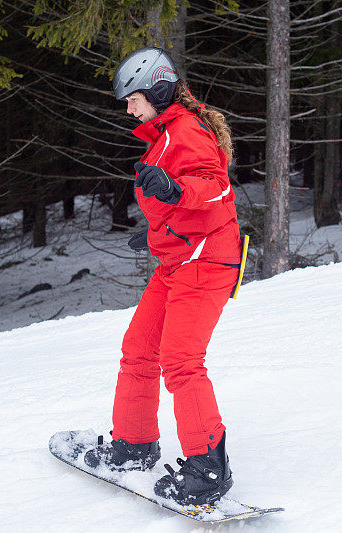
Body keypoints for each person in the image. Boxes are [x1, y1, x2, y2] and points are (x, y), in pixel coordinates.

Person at [84, 47, 242, 506]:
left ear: (156, 88)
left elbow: (216, 189)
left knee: (180, 360)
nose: (130, 109)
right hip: (179, 260)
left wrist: (175, 189)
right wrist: (154, 235)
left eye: (133, 99)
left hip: (206, 261)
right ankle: (134, 445)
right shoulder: (167, 134)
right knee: (139, 349)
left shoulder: (187, 131)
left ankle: (208, 469)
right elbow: (181, 206)